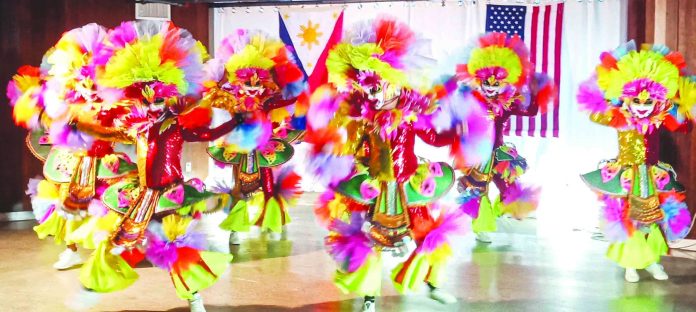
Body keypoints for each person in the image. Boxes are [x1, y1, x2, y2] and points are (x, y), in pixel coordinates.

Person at [305, 16, 490, 312]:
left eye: (377, 85)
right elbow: (342, 137)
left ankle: (432, 284)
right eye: (366, 86)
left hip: (408, 183)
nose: (372, 93)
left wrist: (458, 133)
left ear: (393, 80)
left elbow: (433, 137)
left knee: (430, 234)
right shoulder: (359, 111)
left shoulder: (411, 111)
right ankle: (368, 298)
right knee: (365, 242)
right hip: (370, 183)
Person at [64, 20, 237, 312]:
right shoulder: (138, 128)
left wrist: (235, 122)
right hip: (142, 196)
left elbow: (206, 134)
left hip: (170, 196)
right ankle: (90, 290)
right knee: (119, 243)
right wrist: (83, 123)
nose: (152, 103)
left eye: (158, 97)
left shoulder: (174, 126)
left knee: (178, 249)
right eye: (146, 98)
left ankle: (195, 299)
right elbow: (110, 133)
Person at [7, 24, 136, 270]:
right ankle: (71, 250)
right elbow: (54, 115)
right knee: (66, 202)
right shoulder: (65, 92)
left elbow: (118, 126)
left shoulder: (111, 96)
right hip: (73, 159)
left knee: (105, 205)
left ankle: (106, 251)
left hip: (102, 161)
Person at [578, 41, 694, 282]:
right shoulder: (619, 117)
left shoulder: (660, 118)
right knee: (629, 218)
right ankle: (630, 264)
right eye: (637, 101)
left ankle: (651, 261)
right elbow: (595, 113)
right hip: (626, 176)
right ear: (627, 100)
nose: (642, 107)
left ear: (657, 101)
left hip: (651, 175)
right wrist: (601, 92)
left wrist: (684, 105)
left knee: (652, 218)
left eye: (648, 102)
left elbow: (685, 126)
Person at [201, 30, 306, 243]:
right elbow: (212, 96)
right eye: (248, 83)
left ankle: (272, 221)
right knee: (238, 188)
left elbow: (287, 99)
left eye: (258, 83)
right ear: (240, 82)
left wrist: (290, 81)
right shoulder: (232, 101)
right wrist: (214, 82)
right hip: (239, 148)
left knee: (268, 186)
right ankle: (236, 228)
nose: (253, 87)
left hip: (264, 147)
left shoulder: (267, 101)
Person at [453, 32, 553, 243]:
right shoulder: (469, 100)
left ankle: (499, 212)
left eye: (495, 84)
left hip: (498, 154)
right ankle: (481, 226)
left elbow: (530, 112)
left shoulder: (507, 103)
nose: (490, 87)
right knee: (477, 192)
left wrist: (536, 93)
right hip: (476, 155)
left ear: (505, 83)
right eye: (486, 83)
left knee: (509, 187)